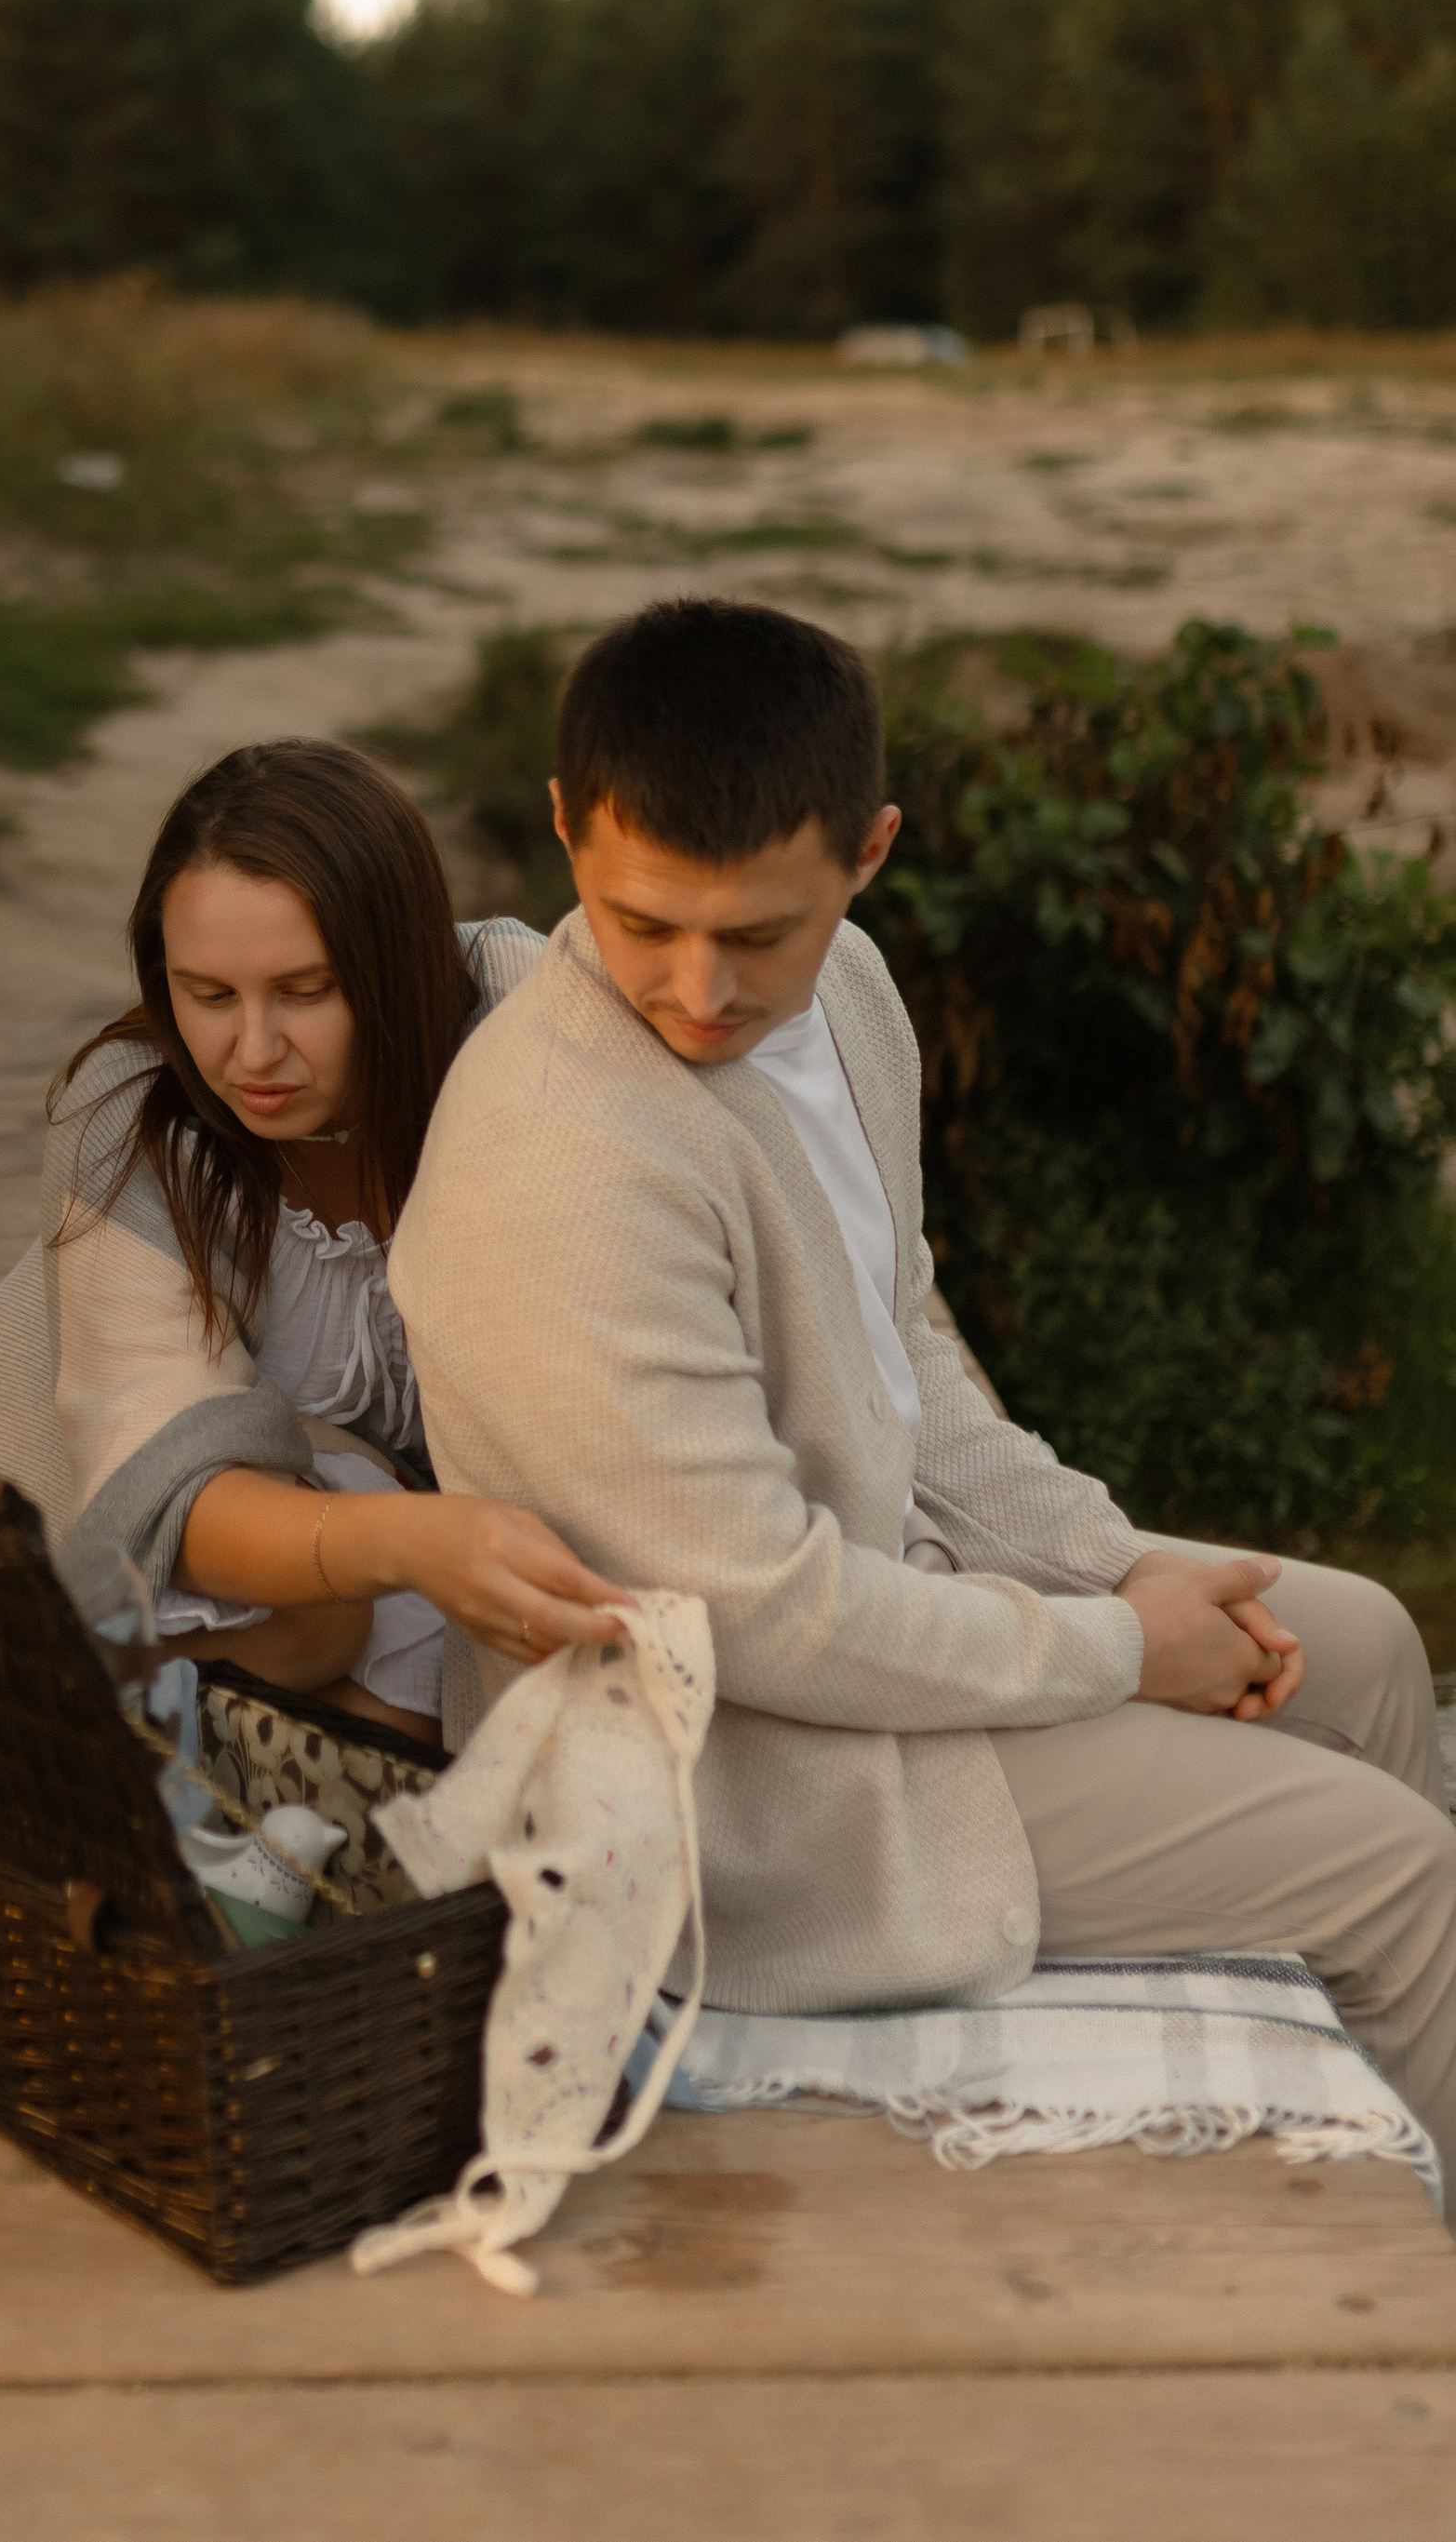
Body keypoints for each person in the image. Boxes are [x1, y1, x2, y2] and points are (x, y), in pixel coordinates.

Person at [390, 596, 1456, 2188]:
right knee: (1399, 1872)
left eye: (760, 933)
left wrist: (1118, 1565)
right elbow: (753, 1616)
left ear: (871, 851)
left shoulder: (858, 997)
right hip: (741, 1780)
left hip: (885, 1627)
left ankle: (1390, 2146)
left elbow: (914, 1363)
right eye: (640, 921)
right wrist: (1114, 1650)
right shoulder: (568, 1158)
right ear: (561, 829)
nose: (698, 988)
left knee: (1363, 1642)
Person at [0, 739, 626, 1737]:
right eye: (207, 995)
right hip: (91, 1526)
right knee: (333, 1625)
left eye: (305, 991)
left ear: (397, 966)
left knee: (419, 1699)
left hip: (387, 1571)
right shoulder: (133, 1110)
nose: (251, 1054)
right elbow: (168, 1499)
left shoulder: (538, 1042)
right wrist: (420, 1540)